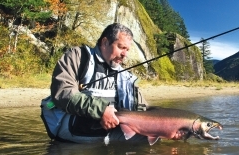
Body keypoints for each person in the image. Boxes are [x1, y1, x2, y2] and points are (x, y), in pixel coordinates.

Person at [41, 23, 183, 144]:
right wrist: (101, 109)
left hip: (111, 135)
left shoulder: (126, 77)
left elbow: (143, 111)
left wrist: (167, 129)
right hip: (75, 134)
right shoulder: (78, 57)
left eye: (127, 50)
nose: (125, 54)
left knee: (153, 142)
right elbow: (63, 92)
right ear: (104, 42)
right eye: (121, 47)